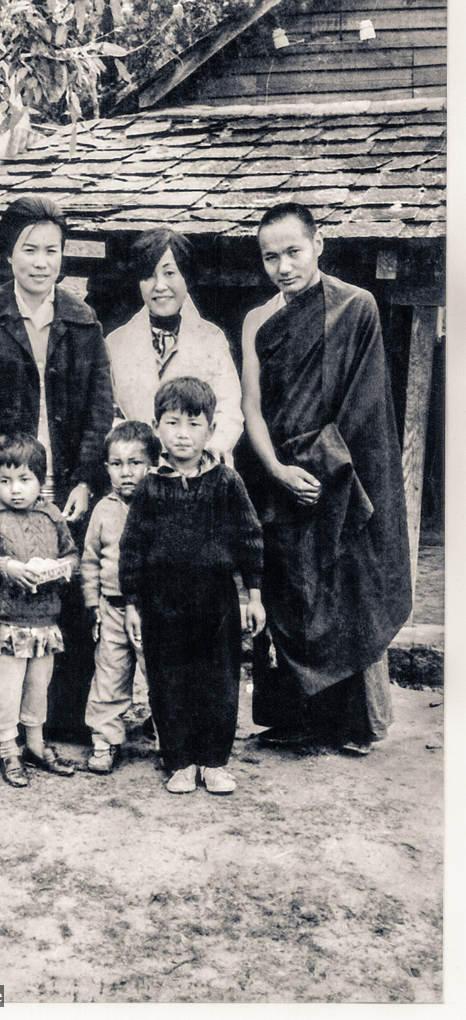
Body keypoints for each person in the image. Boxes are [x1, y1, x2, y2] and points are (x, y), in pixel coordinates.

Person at [240, 202, 412, 755]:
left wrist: (320, 464)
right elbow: (253, 409)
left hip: (341, 476)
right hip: (281, 476)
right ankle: (295, 718)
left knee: (346, 588)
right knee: (290, 590)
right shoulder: (258, 320)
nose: (284, 266)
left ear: (320, 244)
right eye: (271, 257)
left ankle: (354, 724)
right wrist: (276, 469)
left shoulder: (356, 308)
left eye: (293, 251)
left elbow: (365, 405)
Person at [0, 195, 114, 735]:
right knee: (0, 592)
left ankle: (60, 720)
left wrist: (87, 479)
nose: (41, 262)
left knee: (60, 594)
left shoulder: (83, 319)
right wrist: (4, 481)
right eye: (30, 250)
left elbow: (98, 407)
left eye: (52, 251)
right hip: (3, 483)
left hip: (65, 483)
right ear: (10, 255)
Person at [120, 377, 265, 795]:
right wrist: (132, 603)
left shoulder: (226, 482)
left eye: (194, 424)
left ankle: (214, 761)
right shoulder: (149, 486)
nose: (183, 434)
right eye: (173, 422)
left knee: (218, 681)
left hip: (215, 598)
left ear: (212, 429)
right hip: (162, 601)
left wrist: (253, 596)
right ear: (156, 427)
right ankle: (180, 761)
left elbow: (249, 538)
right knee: (169, 681)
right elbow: (132, 548)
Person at [0, 434, 80, 787]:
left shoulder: (51, 514)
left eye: (25, 480)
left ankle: (36, 745)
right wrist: (7, 567)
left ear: (41, 481)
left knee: (37, 688)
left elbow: (71, 553)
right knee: (5, 690)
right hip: (3, 623)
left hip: (43, 621)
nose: (15, 489)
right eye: (5, 481)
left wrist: (62, 569)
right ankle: (8, 750)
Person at [104, 228, 243, 467]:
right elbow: (110, 413)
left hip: (200, 468)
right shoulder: (116, 343)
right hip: (138, 472)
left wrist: (213, 446)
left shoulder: (212, 338)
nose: (160, 285)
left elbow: (228, 407)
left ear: (185, 277)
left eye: (170, 273)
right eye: (149, 276)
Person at [81, 420, 162, 773]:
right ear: (106, 468)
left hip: (153, 609)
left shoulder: (164, 507)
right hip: (112, 609)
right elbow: (89, 560)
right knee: (110, 675)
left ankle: (169, 735)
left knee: (160, 673)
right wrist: (92, 605)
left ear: (152, 465)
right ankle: (105, 740)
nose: (125, 473)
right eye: (117, 464)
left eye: (135, 463)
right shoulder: (103, 510)